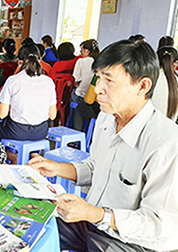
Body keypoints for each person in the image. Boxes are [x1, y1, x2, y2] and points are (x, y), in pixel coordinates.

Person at [28, 40, 178, 252]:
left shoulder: (167, 143)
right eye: (98, 77)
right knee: (32, 226)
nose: (98, 89)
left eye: (109, 81)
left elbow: (159, 224)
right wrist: (56, 167)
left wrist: (94, 214)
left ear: (142, 86)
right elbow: (96, 167)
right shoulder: (107, 118)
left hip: (132, 242)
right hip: (94, 223)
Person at [0, 43, 57, 141]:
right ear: (39, 60)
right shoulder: (48, 81)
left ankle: (12, 155)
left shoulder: (13, 80)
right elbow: (52, 116)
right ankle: (32, 155)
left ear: (19, 62)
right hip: (41, 132)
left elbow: (2, 114)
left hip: (17, 131)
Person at [71, 39, 100, 130]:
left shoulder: (81, 61)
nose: (80, 52)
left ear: (87, 51)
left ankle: (76, 130)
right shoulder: (100, 62)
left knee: (73, 95)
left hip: (82, 95)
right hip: (96, 98)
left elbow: (76, 80)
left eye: (81, 49)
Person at [151, 46, 178, 121]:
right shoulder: (176, 79)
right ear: (175, 64)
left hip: (149, 126)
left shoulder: (151, 78)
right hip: (170, 127)